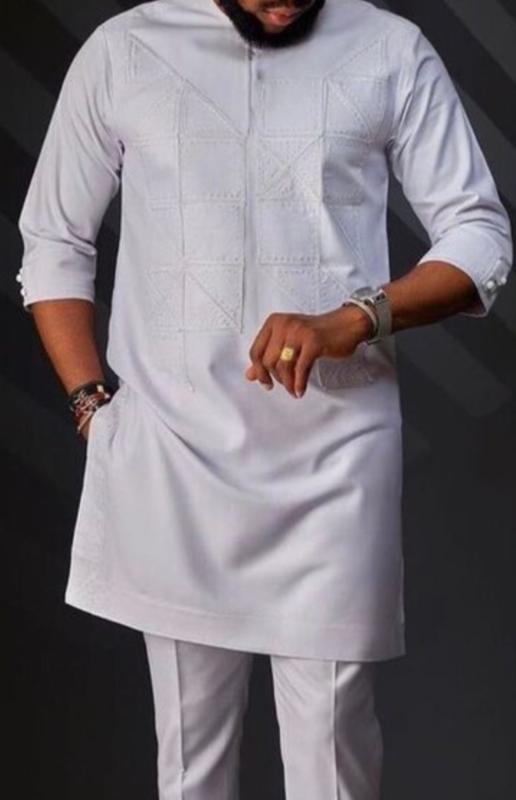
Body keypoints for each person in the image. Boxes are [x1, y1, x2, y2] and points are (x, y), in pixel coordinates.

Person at [16, 1, 512, 798]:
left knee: (334, 756)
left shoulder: (390, 50)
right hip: (173, 457)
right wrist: (89, 403)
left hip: (335, 459)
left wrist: (357, 317)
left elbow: (480, 235)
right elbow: (53, 241)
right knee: (191, 765)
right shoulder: (123, 51)